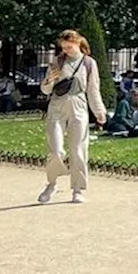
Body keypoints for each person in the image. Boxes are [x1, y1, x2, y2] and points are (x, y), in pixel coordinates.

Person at [38, 30, 107, 204]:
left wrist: (99, 112)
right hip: (57, 106)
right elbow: (45, 90)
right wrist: (48, 81)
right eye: (63, 47)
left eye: (68, 47)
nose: (66, 50)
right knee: (55, 150)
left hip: (79, 106)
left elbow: (93, 90)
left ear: (78, 43)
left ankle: (78, 189)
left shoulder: (89, 63)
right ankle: (52, 183)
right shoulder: (57, 62)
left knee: (78, 150)